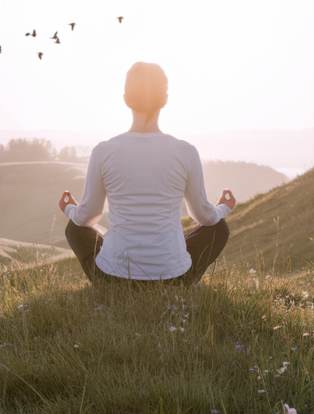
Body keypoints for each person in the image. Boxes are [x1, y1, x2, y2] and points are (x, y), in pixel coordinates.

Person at [58, 62, 235, 284]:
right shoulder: (186, 152)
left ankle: (109, 286)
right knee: (218, 229)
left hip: (113, 278)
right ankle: (181, 283)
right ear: (165, 99)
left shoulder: (103, 151)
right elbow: (205, 217)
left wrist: (70, 209)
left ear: (125, 99)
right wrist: (224, 207)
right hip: (173, 279)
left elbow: (88, 217)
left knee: (75, 229)